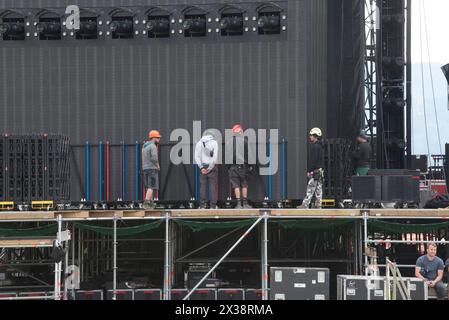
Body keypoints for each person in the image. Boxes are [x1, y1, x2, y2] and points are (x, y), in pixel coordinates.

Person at [227, 124, 253, 209]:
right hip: (243, 166)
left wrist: (228, 167)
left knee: (236, 185)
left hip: (233, 167)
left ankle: (238, 204)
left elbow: (227, 155)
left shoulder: (229, 141)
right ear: (241, 131)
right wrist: (250, 166)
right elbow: (250, 154)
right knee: (244, 184)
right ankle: (245, 204)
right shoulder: (245, 140)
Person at [298, 128, 324, 209]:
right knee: (318, 189)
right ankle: (318, 205)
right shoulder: (320, 146)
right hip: (320, 171)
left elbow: (313, 161)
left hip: (315, 171)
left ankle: (305, 205)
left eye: (311, 135)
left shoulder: (315, 147)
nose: (310, 137)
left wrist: (309, 171)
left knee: (310, 188)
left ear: (316, 136)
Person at [195, 130, 219, 209]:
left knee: (203, 186)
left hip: (203, 167)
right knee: (212, 186)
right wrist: (210, 168)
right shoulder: (214, 143)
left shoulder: (199, 143)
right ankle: (213, 206)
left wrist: (201, 167)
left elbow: (197, 157)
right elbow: (215, 157)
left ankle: (202, 205)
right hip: (212, 167)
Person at [142, 130, 161, 209]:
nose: (159, 139)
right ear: (153, 138)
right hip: (152, 168)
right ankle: (146, 203)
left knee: (149, 187)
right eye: (158, 138)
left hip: (145, 168)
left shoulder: (144, 146)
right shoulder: (153, 146)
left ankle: (151, 204)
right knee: (152, 187)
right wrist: (158, 166)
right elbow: (154, 158)